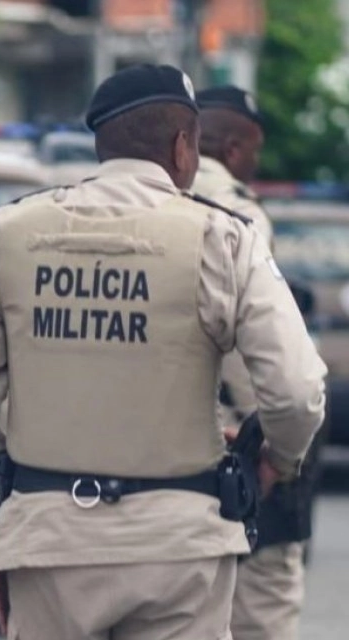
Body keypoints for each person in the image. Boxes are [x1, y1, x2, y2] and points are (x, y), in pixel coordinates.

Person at [0, 64, 327, 640]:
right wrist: (281, 461)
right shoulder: (224, 238)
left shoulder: (6, 234)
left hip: (49, 540)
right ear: (183, 145)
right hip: (179, 549)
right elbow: (296, 391)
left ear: (102, 145)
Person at [193, 85, 326, 640]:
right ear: (228, 147)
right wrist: (277, 452)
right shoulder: (239, 213)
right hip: (231, 440)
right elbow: (263, 359)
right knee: (265, 595)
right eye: (252, 149)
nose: (255, 161)